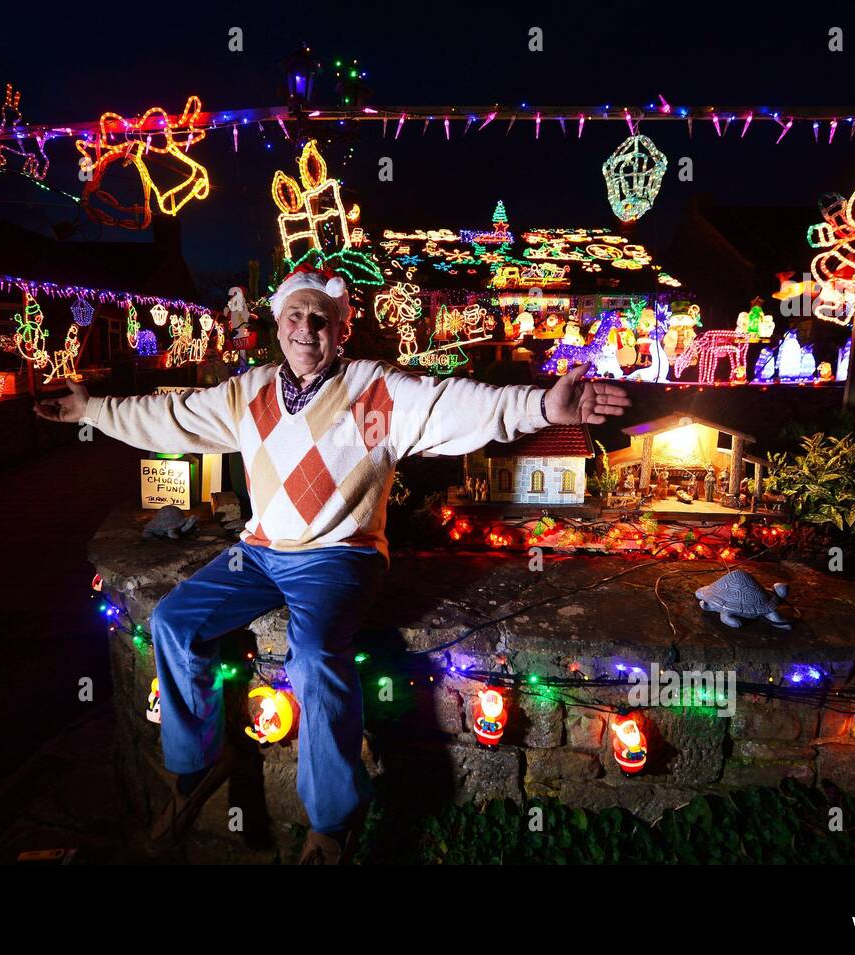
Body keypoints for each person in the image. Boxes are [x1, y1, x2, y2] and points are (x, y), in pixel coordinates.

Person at [35, 265, 629, 863]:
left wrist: (542, 407)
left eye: (321, 317)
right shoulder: (250, 392)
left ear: (342, 329)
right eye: (295, 314)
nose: (306, 327)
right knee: (172, 621)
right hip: (260, 552)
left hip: (338, 557)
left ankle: (332, 822)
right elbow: (173, 414)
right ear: (278, 322)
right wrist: (91, 409)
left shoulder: (377, 390)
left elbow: (455, 405)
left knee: (317, 654)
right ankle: (195, 766)